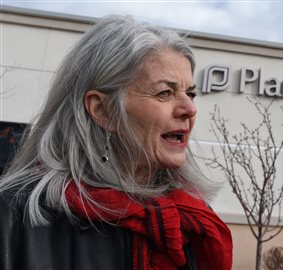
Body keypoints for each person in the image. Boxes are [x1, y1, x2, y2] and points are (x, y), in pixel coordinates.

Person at [0, 15, 232, 270]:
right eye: (164, 93)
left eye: (190, 93)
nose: (189, 108)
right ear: (102, 110)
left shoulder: (191, 219)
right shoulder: (13, 217)